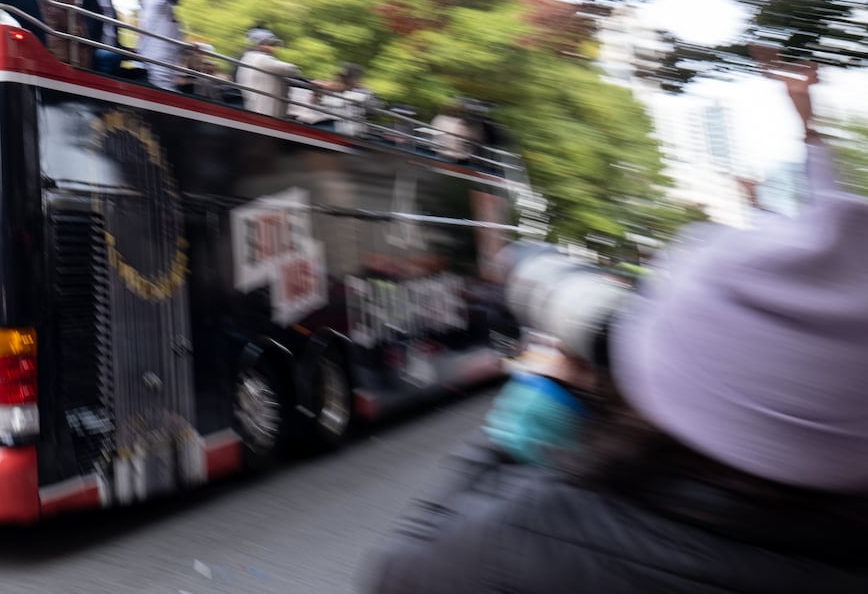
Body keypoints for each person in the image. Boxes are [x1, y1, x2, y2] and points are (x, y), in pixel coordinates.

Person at [369, 63, 868, 593]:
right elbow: (836, 262)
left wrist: (529, 420)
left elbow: (403, 572)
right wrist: (812, 137)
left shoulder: (534, 542)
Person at [135, 0, 224, 90]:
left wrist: (190, 46)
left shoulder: (167, 10)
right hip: (157, 69)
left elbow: (172, 39)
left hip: (168, 70)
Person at [235, 28, 300, 118]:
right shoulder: (261, 59)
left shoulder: (247, 58)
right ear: (258, 45)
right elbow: (292, 69)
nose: (272, 48)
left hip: (255, 109)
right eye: (269, 44)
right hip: (266, 112)